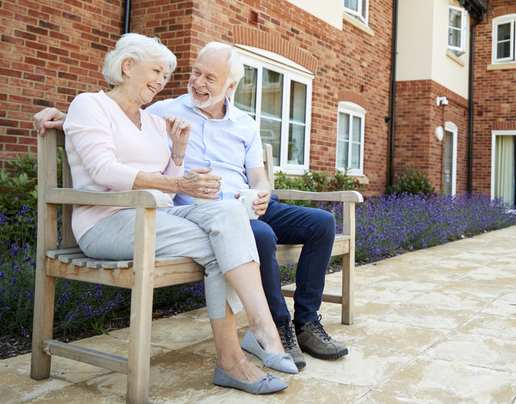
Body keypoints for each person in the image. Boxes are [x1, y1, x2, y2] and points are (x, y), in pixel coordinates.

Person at [34, 42, 348, 369]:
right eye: (195, 72)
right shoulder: (164, 110)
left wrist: (261, 191)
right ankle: (275, 328)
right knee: (257, 235)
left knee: (321, 223)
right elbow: (113, 119)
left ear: (230, 86)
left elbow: (256, 175)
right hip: (191, 211)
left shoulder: (240, 123)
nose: (198, 83)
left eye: (210, 78)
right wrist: (67, 118)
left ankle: (305, 323)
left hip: (241, 205)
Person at [58, 33, 295, 395]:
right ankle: (247, 348)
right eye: (156, 71)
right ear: (127, 66)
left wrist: (179, 154)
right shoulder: (90, 105)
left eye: (167, 75)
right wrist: (179, 185)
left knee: (230, 214)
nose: (162, 81)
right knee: (224, 245)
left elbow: (169, 183)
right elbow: (104, 169)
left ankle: (254, 337)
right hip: (106, 222)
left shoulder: (155, 121)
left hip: (157, 219)